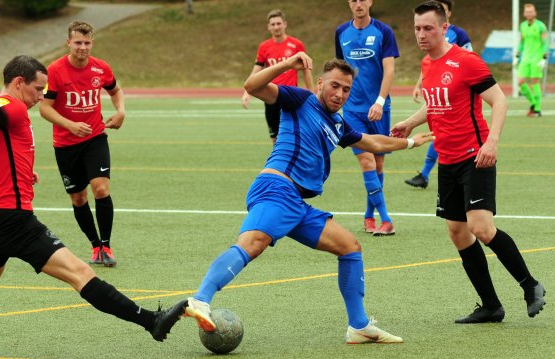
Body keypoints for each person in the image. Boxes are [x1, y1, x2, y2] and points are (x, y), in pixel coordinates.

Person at [182, 52, 433, 344]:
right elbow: (252, 86)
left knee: (349, 247)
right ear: (321, 84)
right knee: (252, 244)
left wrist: (412, 141)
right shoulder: (301, 100)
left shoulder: (338, 125)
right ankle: (200, 299)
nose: (340, 94)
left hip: (297, 204)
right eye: (335, 86)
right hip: (276, 188)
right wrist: (287, 65)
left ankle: (359, 326)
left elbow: (373, 141)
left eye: (346, 89)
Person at [0, 55, 186, 342]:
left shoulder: (11, 110)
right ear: (19, 83)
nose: (41, 97)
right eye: (38, 89)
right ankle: (152, 321)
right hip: (12, 220)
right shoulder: (11, 105)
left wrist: (18, 172)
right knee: (79, 272)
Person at [392, 1, 546, 324]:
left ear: (444, 28)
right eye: (417, 28)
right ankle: (491, 306)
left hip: (475, 157)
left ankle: (530, 285)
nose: (421, 34)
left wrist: (491, 142)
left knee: (480, 227)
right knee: (458, 233)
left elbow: (499, 100)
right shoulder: (426, 64)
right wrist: (409, 123)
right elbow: (434, 105)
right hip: (446, 161)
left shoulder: (466, 62)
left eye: (428, 28)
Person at [39, 20, 125, 267]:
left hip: (95, 137)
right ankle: (95, 245)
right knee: (78, 198)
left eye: (87, 43)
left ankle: (106, 246)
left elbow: (115, 90)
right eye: (78, 42)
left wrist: (120, 111)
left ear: (92, 43)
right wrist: (69, 125)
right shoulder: (54, 71)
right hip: (66, 143)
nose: (82, 47)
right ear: (68, 42)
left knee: (101, 189)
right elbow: (45, 108)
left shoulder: (101, 68)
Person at [335, 0, 400, 236]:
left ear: (370, 2)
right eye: (354, 0)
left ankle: (367, 215)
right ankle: (386, 219)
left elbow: (390, 70)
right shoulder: (341, 32)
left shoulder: (383, 31)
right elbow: (341, 71)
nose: (358, 3)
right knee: (366, 161)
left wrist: (380, 102)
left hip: (379, 108)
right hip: (352, 110)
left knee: (378, 163)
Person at [406, 0, 472, 189]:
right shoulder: (427, 37)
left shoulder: (459, 34)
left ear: (447, 14)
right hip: (437, 89)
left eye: (441, 9)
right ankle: (426, 175)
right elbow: (430, 61)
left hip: (454, 93)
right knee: (439, 131)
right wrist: (419, 85)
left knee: (443, 133)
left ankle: (426, 174)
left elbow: (470, 60)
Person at [242, 9, 314, 144]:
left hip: (291, 95)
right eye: (273, 24)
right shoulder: (264, 47)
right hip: (271, 96)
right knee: (275, 138)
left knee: (295, 134)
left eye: (278, 23)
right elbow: (256, 70)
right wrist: (247, 93)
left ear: (285, 24)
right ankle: (279, 163)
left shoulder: (296, 44)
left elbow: (306, 70)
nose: (276, 27)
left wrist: (311, 94)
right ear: (268, 27)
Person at [515, 3, 548, 117]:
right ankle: (534, 103)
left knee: (535, 82)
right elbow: (522, 42)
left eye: (531, 11)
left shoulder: (541, 26)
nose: (529, 13)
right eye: (527, 12)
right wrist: (517, 55)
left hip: (537, 57)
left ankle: (537, 110)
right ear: (524, 13)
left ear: (535, 13)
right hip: (525, 57)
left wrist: (544, 58)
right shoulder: (523, 25)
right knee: (520, 82)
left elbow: (545, 43)